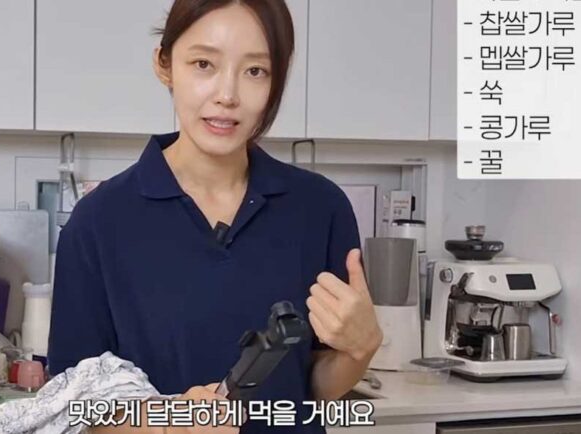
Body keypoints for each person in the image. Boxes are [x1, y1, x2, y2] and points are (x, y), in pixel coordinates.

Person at [48, 1, 383, 433]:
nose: (228, 95)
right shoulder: (97, 222)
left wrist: (359, 351)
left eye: (255, 71)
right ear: (165, 64)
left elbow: (310, 388)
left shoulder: (320, 208)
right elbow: (73, 410)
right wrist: (166, 424)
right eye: (204, 64)